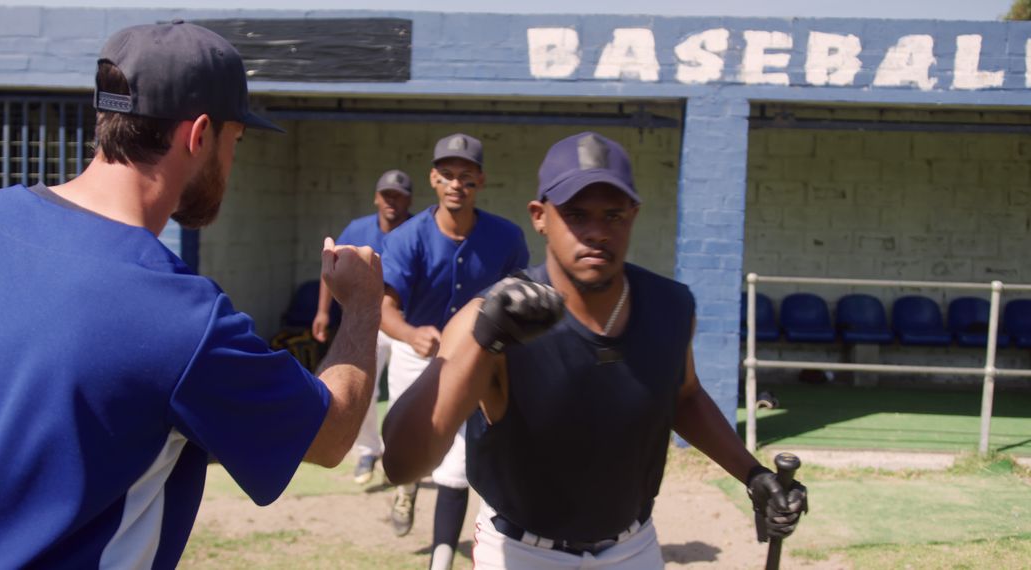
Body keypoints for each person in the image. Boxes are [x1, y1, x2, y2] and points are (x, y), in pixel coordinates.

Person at [0, 21, 382, 567]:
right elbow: (332, 432)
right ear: (199, 134)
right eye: (235, 141)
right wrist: (365, 302)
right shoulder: (182, 316)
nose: (232, 162)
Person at [382, 132, 807, 569]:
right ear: (539, 216)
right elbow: (402, 462)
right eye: (576, 214)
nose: (597, 232)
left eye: (613, 215)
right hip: (523, 551)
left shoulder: (670, 306)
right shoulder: (493, 318)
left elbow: (684, 395)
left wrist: (752, 474)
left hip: (633, 546)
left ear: (634, 215)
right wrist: (482, 341)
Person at [379, 133, 530, 568]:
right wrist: (408, 333)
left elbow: (518, 301)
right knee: (405, 452)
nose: (456, 185)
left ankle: (440, 560)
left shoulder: (505, 236)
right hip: (418, 351)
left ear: (480, 181)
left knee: (457, 464)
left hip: (475, 358)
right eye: (447, 176)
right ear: (433, 179)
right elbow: (384, 309)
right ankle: (406, 488)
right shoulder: (410, 237)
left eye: (466, 177)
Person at [313, 169, 414, 484]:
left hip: (404, 322)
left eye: (398, 196)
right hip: (365, 322)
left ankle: (396, 452)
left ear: (408, 199)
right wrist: (322, 312)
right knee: (363, 389)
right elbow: (331, 268)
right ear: (376, 197)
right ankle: (368, 450)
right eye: (386, 195)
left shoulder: (418, 229)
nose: (391, 201)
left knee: (404, 391)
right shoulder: (358, 229)